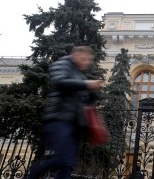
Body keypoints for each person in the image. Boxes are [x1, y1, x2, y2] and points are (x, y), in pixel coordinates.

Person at [27, 46, 104, 179]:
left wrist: (93, 93)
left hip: (73, 123)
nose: (87, 63)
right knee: (62, 159)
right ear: (76, 55)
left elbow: (84, 100)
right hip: (58, 119)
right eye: (85, 59)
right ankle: (34, 173)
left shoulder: (79, 74)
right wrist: (86, 84)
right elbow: (60, 82)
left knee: (68, 164)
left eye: (89, 61)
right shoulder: (62, 64)